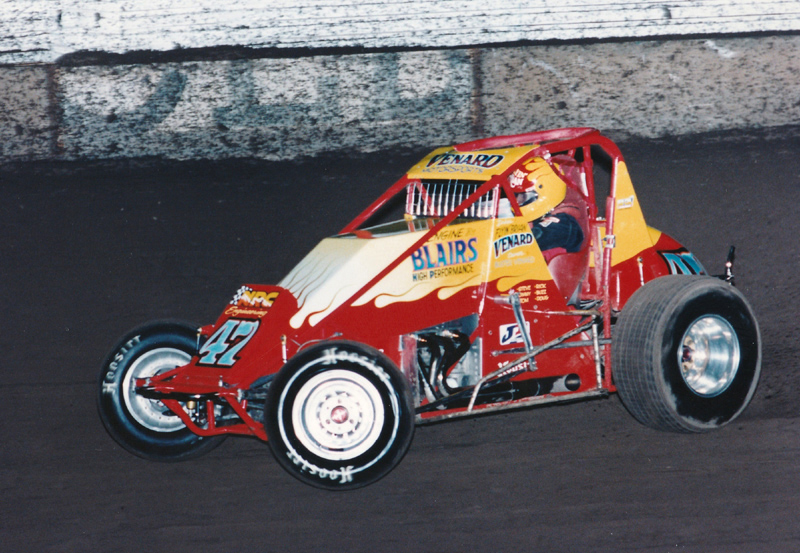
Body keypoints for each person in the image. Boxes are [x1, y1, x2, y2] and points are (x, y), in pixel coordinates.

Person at [507, 158, 585, 256]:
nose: (517, 202)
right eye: (516, 196)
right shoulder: (536, 218)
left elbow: (530, 241)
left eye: (523, 197)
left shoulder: (564, 224)